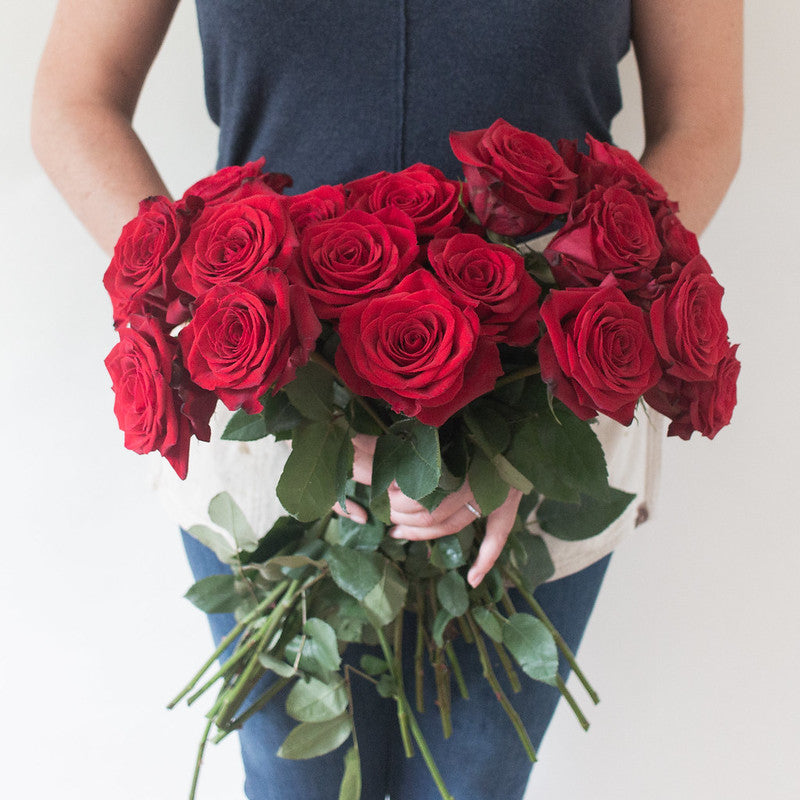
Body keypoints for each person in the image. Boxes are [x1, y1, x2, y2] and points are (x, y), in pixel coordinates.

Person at [31, 2, 742, 799]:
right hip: (267, 401)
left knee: (472, 782)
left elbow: (702, 122)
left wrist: (521, 410)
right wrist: (212, 312)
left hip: (545, 392)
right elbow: (75, 97)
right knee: (294, 781)